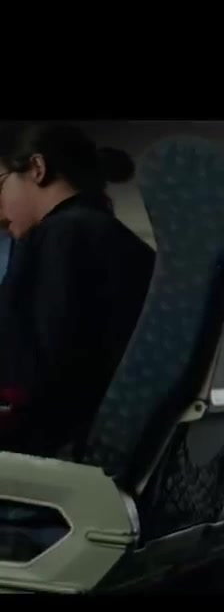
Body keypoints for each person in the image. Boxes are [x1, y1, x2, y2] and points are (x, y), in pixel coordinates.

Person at [0, 123, 154, 458]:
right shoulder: (123, 242)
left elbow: (29, 380)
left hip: (54, 446)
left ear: (37, 169)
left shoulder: (56, 237)